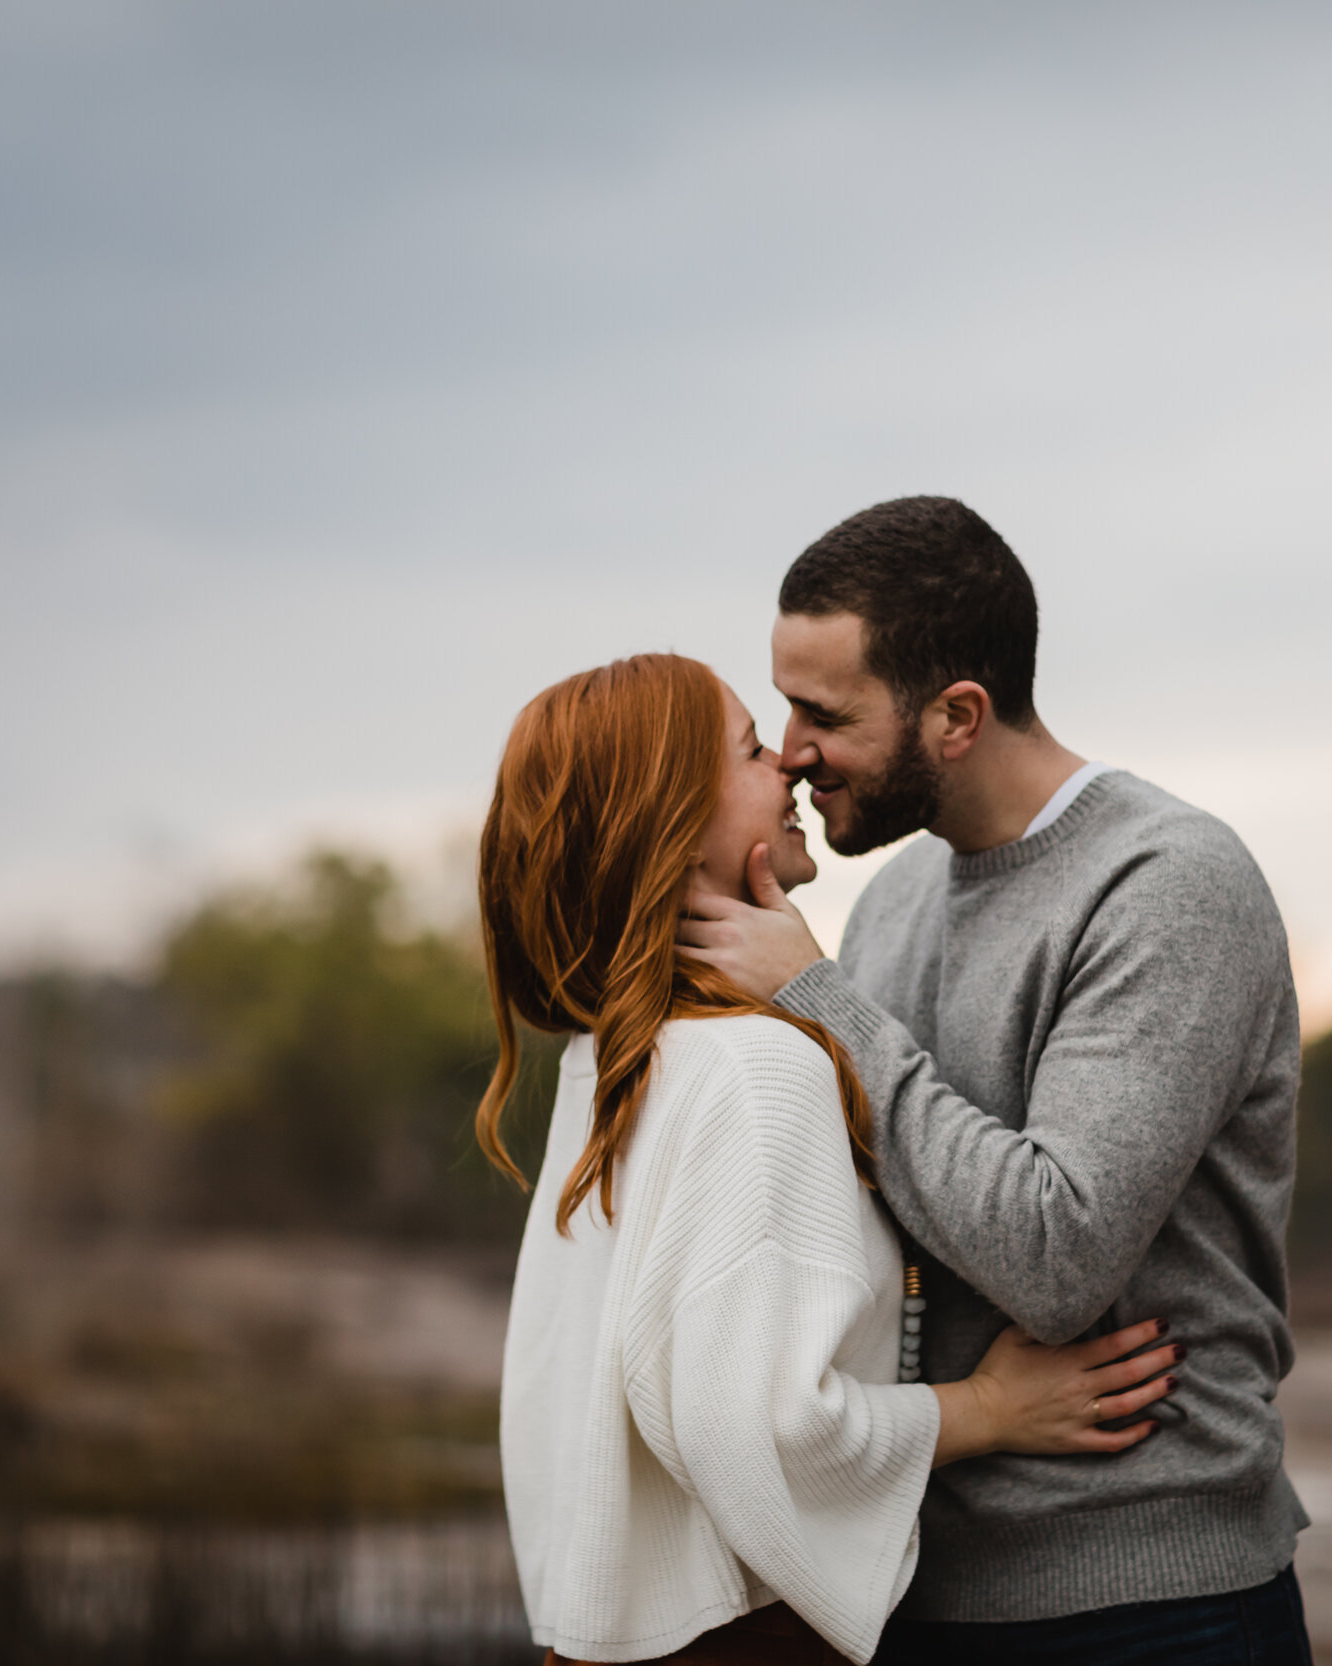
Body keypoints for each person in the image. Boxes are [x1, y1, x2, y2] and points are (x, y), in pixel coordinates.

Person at [680, 498, 1313, 1665]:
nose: (790, 749)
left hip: (1148, 1607)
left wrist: (818, 1001)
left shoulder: (1165, 884)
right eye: (782, 707)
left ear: (957, 716)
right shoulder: (892, 902)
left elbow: (1054, 1255)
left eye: (825, 713)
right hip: (917, 1588)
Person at [480, 653, 1183, 1666]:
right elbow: (758, 1427)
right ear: (671, 826)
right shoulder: (756, 1068)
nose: (789, 767)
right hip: (736, 1640)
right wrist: (985, 1409)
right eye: (749, 748)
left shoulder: (619, 1059)